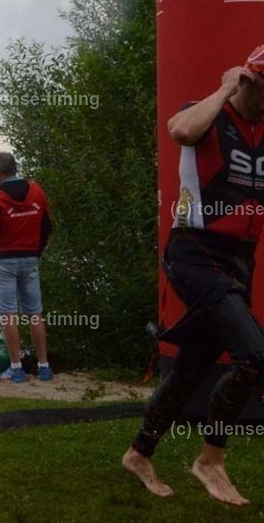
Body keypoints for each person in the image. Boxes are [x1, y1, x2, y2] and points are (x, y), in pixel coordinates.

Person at [123, 63, 264, 506]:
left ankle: (140, 452)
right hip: (195, 252)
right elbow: (180, 130)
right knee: (256, 356)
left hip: (240, 260)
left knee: (194, 365)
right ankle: (211, 458)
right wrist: (223, 89)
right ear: (250, 81)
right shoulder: (206, 113)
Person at [0, 152, 53, 383]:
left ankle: (16, 368)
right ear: (15, 168)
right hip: (30, 257)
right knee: (35, 312)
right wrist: (38, 251)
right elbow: (47, 225)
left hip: (3, 260)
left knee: (8, 314)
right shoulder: (37, 190)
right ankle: (44, 366)